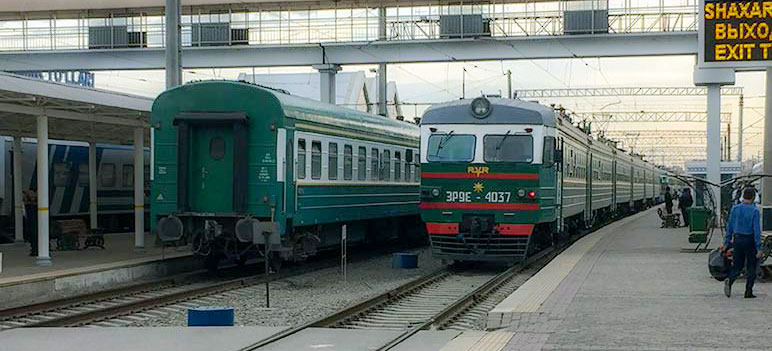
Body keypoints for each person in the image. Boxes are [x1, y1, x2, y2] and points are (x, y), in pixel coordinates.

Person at [721, 187, 762, 298]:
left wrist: (726, 242)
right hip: (750, 240)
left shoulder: (735, 209)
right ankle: (748, 291)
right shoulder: (754, 211)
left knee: (737, 265)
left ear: (743, 196)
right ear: (753, 197)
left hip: (737, 239)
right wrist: (759, 248)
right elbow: (756, 230)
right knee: (751, 266)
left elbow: (729, 226)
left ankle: (730, 280)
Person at [24, 188, 38, 257]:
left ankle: (35, 249)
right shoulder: (29, 205)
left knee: (34, 234)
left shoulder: (30, 205)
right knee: (33, 235)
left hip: (34, 223)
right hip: (32, 223)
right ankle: (34, 249)